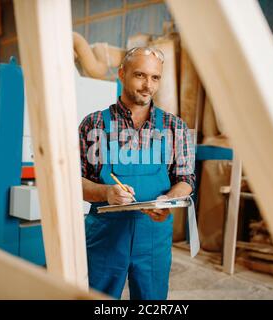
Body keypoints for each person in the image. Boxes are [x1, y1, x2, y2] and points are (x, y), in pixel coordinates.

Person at [79, 46, 195, 300]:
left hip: (153, 239)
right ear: (121, 74)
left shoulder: (175, 128)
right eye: (140, 75)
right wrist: (105, 191)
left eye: (155, 78)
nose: (148, 85)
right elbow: (74, 182)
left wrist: (168, 199)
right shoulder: (94, 125)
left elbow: (185, 179)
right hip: (105, 236)